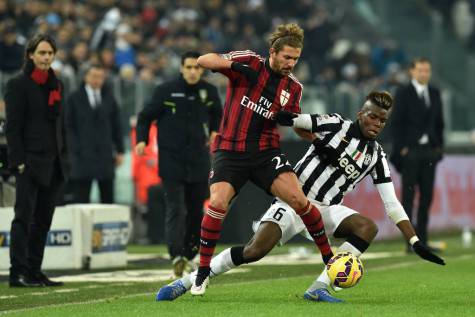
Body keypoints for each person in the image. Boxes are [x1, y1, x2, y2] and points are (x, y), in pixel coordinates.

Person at [156, 91, 445, 302]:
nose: (377, 123)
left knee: (367, 227)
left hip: (329, 209)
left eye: (382, 121)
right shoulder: (334, 124)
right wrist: (311, 133)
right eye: (372, 116)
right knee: (254, 251)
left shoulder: (376, 155)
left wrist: (414, 240)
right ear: (360, 113)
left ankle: (319, 287)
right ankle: (189, 281)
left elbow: (391, 202)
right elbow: (296, 120)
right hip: (294, 202)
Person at [191, 23, 334, 296]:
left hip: (265, 153)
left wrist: (315, 140)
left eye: (295, 59)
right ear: (273, 52)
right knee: (218, 202)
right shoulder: (249, 61)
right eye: (287, 57)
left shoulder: (293, 88)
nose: (291, 63)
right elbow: (202, 60)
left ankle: (329, 259)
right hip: (230, 150)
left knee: (299, 200)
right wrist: (231, 67)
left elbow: (296, 122)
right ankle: (202, 271)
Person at [135, 51, 223, 277]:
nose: (193, 71)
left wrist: (214, 130)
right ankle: (176, 254)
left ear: (201, 70)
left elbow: (218, 114)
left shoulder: (209, 92)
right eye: (189, 67)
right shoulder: (165, 91)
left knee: (195, 211)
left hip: (198, 161)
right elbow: (145, 116)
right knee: (176, 209)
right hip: (171, 160)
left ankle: (189, 254)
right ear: (182, 69)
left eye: (197, 67)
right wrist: (142, 140)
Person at [5, 34, 69, 287]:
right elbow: (13, 127)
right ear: (30, 55)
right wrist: (18, 161)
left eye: (50, 53)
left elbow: (61, 125)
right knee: (23, 217)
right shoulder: (18, 84)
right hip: (29, 162)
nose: (46, 57)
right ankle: (17, 272)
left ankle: (34, 270)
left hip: (54, 164)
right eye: (41, 53)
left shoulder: (57, 84)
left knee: (43, 220)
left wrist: (65, 157)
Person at [390, 57, 445, 250]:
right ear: (412, 72)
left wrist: (438, 147)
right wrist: (401, 149)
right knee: (408, 197)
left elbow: (439, 123)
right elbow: (395, 123)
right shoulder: (403, 93)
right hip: (410, 152)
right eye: (421, 70)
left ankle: (424, 240)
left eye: (427, 70)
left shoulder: (435, 92)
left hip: (429, 151)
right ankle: (410, 242)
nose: (424, 74)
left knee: (427, 197)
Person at [65, 64, 124, 203]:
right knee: (81, 199)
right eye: (93, 76)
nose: (97, 80)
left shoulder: (109, 98)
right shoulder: (74, 98)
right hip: (82, 156)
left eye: (100, 77)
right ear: (86, 77)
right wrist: (74, 149)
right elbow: (68, 126)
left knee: (108, 199)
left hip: (105, 155)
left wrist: (120, 150)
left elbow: (117, 126)